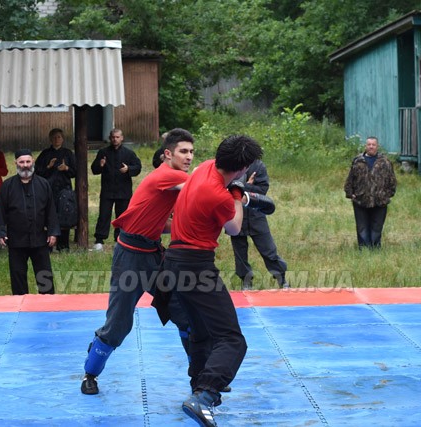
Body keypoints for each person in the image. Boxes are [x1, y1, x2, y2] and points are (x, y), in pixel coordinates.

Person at [155, 135, 262, 427]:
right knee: (231, 339)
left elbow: (225, 184)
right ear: (241, 169)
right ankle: (205, 396)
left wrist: (234, 188)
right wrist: (238, 196)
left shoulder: (205, 167)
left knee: (200, 331)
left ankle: (197, 384)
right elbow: (234, 227)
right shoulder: (218, 196)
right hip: (196, 266)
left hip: (173, 263)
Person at [81, 128, 195, 396]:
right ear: (168, 154)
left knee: (185, 313)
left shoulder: (174, 179)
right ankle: (90, 373)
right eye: (183, 151)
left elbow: (162, 222)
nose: (189, 157)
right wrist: (240, 191)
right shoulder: (170, 175)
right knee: (118, 325)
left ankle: (201, 378)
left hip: (154, 256)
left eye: (191, 152)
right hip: (130, 258)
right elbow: (203, 189)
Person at [0, 149, 59, 295]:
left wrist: (53, 232)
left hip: (39, 239)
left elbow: (51, 211)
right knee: (17, 275)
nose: (25, 165)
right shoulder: (7, 186)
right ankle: (20, 305)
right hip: (16, 240)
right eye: (22, 162)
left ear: (33, 162)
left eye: (28, 161)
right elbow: (0, 212)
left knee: (44, 275)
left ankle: (48, 304)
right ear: (16, 163)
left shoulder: (44, 184)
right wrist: (0, 232)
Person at [229, 159, 288, 289]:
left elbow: (262, 190)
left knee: (268, 249)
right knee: (239, 253)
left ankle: (282, 279)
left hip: (256, 214)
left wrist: (243, 187)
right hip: (235, 214)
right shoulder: (230, 164)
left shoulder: (258, 165)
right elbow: (226, 187)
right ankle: (246, 281)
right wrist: (244, 186)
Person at [90, 128, 142, 251]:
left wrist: (129, 169)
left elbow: (138, 167)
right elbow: (94, 169)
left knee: (122, 216)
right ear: (110, 138)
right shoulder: (103, 152)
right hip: (107, 190)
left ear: (122, 138)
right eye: (113, 137)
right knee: (104, 215)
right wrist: (100, 165)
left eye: (117, 137)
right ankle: (99, 240)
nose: (115, 139)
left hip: (123, 191)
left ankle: (120, 239)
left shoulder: (129, 153)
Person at [344, 136, 397, 249]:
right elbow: (350, 179)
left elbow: (392, 180)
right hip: (360, 200)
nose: (371, 147)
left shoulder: (385, 162)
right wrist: (350, 193)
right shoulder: (358, 161)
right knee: (362, 227)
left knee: (377, 227)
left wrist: (387, 194)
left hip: (380, 201)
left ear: (377, 146)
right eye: (369, 144)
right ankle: (363, 249)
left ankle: (375, 248)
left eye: (373, 144)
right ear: (365, 146)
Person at [35, 128, 77, 252]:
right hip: (48, 190)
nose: (56, 139)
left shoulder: (68, 153)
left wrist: (66, 168)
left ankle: (63, 245)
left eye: (59, 137)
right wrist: (48, 167)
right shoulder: (45, 154)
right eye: (54, 137)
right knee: (48, 217)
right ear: (50, 139)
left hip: (64, 190)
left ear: (62, 139)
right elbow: (37, 172)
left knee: (64, 217)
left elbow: (75, 172)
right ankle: (48, 245)